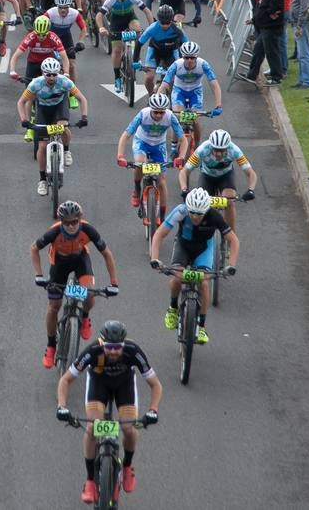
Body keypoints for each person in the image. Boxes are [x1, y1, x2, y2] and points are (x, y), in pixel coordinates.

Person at [54, 320, 160, 504]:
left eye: (117, 347)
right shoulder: (92, 351)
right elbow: (65, 380)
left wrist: (153, 410)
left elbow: (155, 385)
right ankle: (89, 480)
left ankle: (127, 466)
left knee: (128, 428)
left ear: (123, 344)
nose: (112, 351)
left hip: (123, 386)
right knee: (92, 428)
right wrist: (62, 406)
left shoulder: (133, 351)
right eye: (109, 347)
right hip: (99, 386)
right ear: (102, 343)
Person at [32, 200, 120, 367]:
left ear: (80, 220)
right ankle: (51, 345)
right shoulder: (54, 232)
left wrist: (113, 283)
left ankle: (85, 317)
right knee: (53, 307)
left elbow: (107, 254)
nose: (71, 226)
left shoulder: (88, 230)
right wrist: (39, 275)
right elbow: (34, 248)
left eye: (74, 222)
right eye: (67, 223)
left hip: (80, 261)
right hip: (59, 263)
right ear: (61, 222)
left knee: (90, 294)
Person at [150, 187, 241, 344]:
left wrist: (231, 266)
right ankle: (172, 309)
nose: (194, 217)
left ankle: (202, 326)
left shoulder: (213, 216)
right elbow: (159, 234)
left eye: (199, 214)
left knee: (203, 283)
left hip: (203, 249)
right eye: (192, 212)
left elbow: (234, 240)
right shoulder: (181, 211)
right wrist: (155, 259)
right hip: (183, 247)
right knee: (177, 277)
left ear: (206, 210)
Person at [17, 58, 90, 194]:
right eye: (48, 74)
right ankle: (42, 179)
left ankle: (67, 150)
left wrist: (84, 117)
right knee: (43, 146)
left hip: (59, 107)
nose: (51, 77)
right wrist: (24, 120)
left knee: (63, 127)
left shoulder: (65, 82)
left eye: (54, 74)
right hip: (43, 110)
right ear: (43, 73)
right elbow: (21, 102)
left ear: (59, 73)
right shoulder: (35, 84)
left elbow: (82, 98)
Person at [117, 93, 185, 216]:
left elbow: (183, 139)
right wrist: (120, 156)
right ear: (151, 109)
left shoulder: (170, 116)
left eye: (161, 112)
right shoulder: (143, 114)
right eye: (156, 112)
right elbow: (125, 135)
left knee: (162, 181)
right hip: (142, 142)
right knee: (139, 163)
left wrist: (181, 157)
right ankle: (137, 188)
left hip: (159, 145)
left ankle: (162, 216)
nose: (159, 115)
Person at [244, 0, 286, 85]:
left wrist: (270, 12)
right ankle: (252, 74)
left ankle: (276, 76)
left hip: (270, 27)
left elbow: (271, 3)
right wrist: (254, 19)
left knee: (272, 52)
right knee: (258, 50)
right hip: (265, 27)